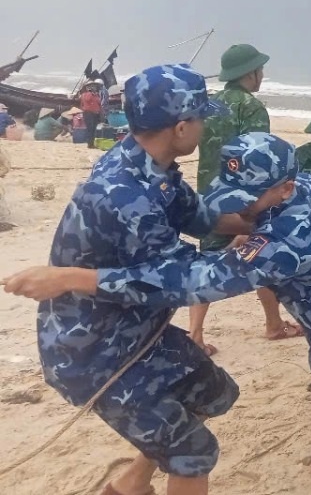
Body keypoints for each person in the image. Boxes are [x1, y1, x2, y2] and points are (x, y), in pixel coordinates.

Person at [4, 133, 311, 494]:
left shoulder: (286, 241)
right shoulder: (309, 185)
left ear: (284, 188)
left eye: (249, 199)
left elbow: (191, 282)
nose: (240, 208)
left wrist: (72, 279)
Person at [3, 64, 253, 495]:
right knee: (193, 454)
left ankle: (129, 486)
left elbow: (199, 216)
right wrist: (268, 257)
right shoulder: (127, 195)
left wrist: (265, 218)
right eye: (200, 117)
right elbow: (177, 280)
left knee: (212, 393)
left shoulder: (146, 163)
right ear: (179, 127)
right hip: (95, 352)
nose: (205, 125)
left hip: (135, 331)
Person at [190, 43, 300, 356]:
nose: (262, 75)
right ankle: (274, 324)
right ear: (250, 73)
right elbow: (258, 158)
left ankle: (195, 335)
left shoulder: (209, 106)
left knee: (207, 260)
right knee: (260, 253)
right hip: (243, 198)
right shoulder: (250, 108)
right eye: (259, 70)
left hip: (208, 194)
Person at [79, 80, 105, 148]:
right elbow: (87, 99)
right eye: (92, 86)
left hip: (95, 114)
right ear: (87, 88)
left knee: (93, 129)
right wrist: (90, 92)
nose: (94, 88)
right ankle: (90, 144)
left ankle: (91, 143)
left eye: (95, 86)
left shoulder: (96, 95)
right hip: (88, 113)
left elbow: (99, 104)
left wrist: (101, 113)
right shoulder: (85, 94)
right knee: (90, 128)